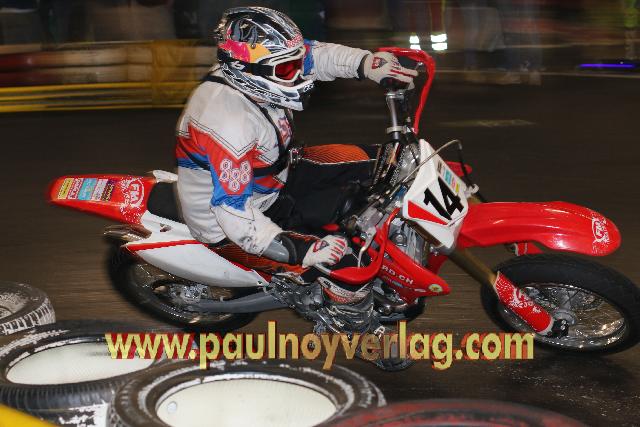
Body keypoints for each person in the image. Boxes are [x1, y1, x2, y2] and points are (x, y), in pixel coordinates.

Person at [175, 6, 417, 276]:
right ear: (249, 71)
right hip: (233, 223)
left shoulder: (255, 71)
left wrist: (367, 63)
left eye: (297, 62)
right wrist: (302, 250)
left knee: (388, 163)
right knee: (351, 270)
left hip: (274, 177)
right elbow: (233, 212)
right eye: (287, 68)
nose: (299, 72)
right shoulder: (227, 124)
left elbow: (315, 55)